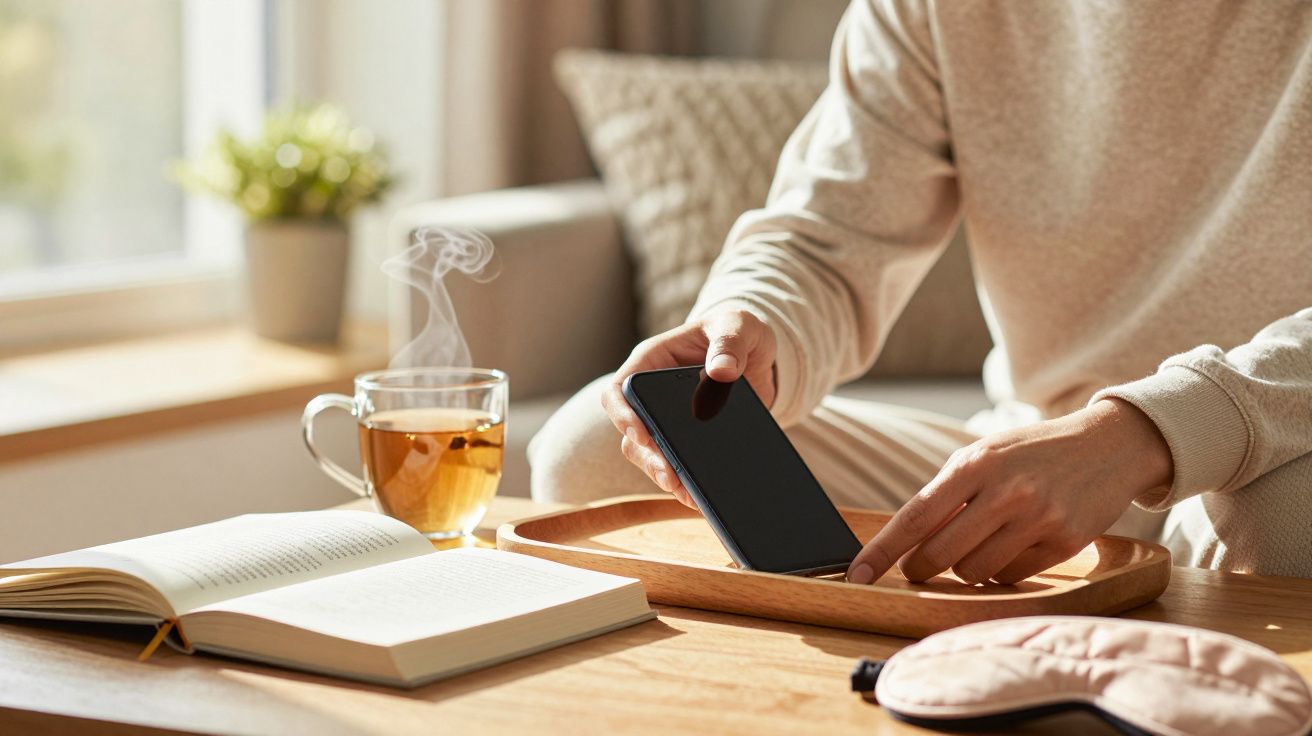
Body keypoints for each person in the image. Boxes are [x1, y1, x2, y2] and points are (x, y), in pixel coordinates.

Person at [529, 0, 1312, 581]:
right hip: (1026, 457)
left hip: (1271, 452)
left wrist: (1142, 432)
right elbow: (830, 234)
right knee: (593, 451)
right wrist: (755, 322)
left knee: (1282, 520)